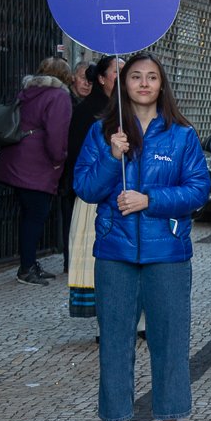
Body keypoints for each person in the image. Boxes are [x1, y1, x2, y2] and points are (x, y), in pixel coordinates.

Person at [73, 53, 210, 421]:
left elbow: (198, 190)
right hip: (115, 250)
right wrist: (111, 158)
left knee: (169, 339)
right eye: (136, 76)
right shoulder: (103, 133)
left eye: (152, 77)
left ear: (162, 84)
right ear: (123, 84)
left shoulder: (181, 135)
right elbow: (85, 187)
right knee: (115, 340)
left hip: (166, 251)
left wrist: (150, 199)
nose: (144, 83)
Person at [0, 57, 73, 286]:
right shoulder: (59, 96)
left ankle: (28, 263)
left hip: (16, 159)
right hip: (37, 164)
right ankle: (27, 268)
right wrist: (59, 159)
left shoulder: (27, 92)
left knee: (29, 215)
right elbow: (57, 134)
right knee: (36, 215)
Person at [66, 56, 122, 317]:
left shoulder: (129, 109)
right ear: (101, 78)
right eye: (116, 72)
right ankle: (105, 317)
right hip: (95, 197)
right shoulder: (88, 112)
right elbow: (78, 160)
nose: (123, 77)